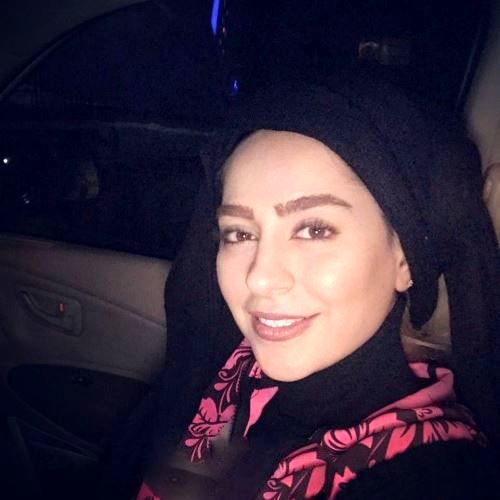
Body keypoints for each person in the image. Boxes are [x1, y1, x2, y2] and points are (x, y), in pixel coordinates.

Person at [104, 81, 500, 499]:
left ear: (406, 261)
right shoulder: (230, 364)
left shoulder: (433, 476)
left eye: (314, 230)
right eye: (239, 233)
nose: (259, 277)